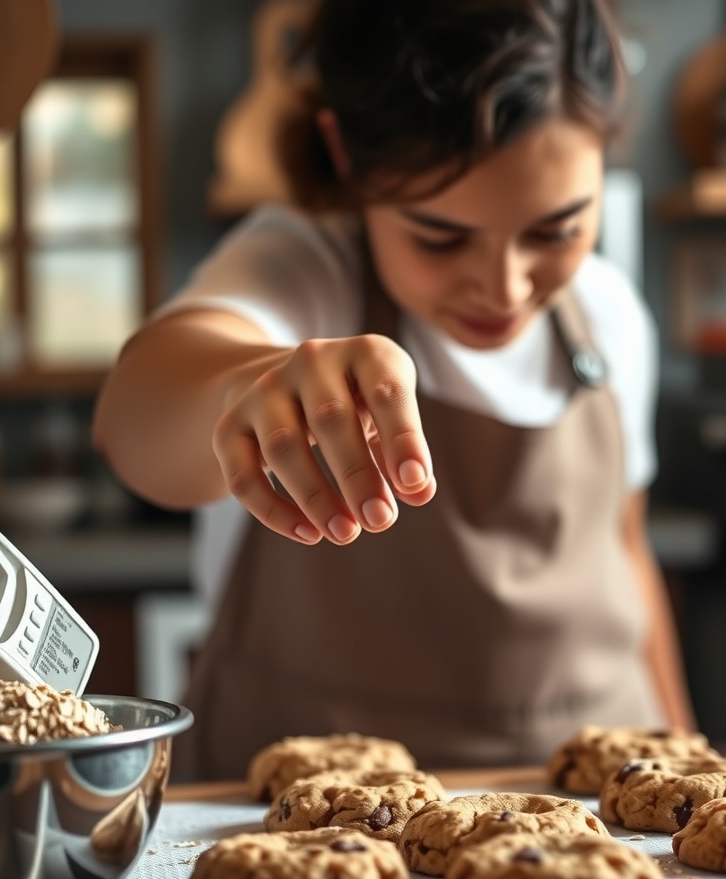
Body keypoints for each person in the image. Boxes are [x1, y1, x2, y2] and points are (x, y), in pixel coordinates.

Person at [93, 0, 695, 780]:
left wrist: (689, 746)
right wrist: (246, 385)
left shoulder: (611, 317)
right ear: (347, 157)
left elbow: (626, 552)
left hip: (606, 806)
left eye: (556, 230)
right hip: (312, 816)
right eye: (440, 237)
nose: (504, 286)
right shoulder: (304, 267)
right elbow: (134, 418)